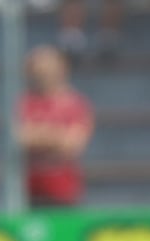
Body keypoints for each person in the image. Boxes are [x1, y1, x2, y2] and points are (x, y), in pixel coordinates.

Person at [16, 43, 93, 208]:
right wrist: (56, 136)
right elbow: (19, 138)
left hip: (63, 193)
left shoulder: (74, 104)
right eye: (38, 68)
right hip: (28, 192)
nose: (42, 73)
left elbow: (73, 144)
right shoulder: (24, 102)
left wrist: (38, 134)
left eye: (47, 68)